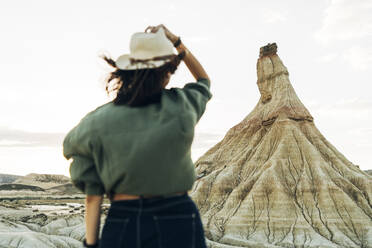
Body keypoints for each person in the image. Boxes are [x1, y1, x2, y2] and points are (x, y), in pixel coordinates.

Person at [63, 24, 212, 248]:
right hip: (179, 218)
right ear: (166, 73)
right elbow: (203, 80)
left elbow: (93, 196)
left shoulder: (96, 122)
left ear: (128, 71)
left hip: (125, 221)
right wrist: (176, 41)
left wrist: (91, 244)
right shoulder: (182, 105)